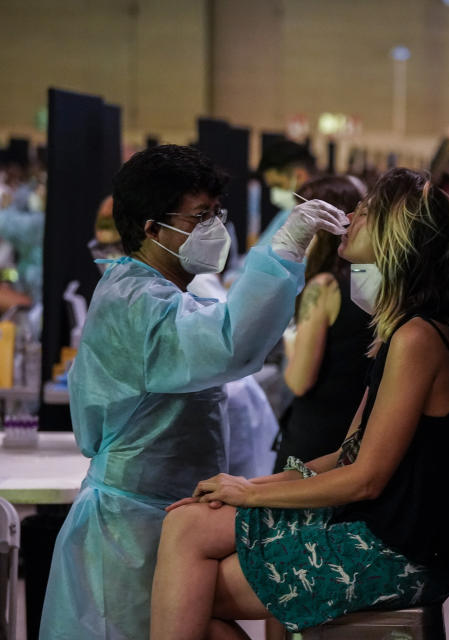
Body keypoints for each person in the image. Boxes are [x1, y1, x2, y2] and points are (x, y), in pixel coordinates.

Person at [39, 144, 346, 640]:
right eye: (200, 216)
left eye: (217, 213)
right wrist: (282, 248)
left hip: (167, 516)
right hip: (128, 531)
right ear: (152, 228)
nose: (214, 228)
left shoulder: (160, 293)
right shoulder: (133, 301)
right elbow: (228, 343)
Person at [149, 168, 449, 639]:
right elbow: (348, 454)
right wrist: (249, 483)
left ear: (398, 237)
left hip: (397, 550)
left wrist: (252, 493)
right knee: (189, 526)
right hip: (375, 529)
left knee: (185, 592)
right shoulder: (401, 331)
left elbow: (366, 478)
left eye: (368, 210)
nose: (353, 215)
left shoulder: (418, 337)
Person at [279, 175, 372, 465]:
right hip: (351, 434)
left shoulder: (324, 285)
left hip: (313, 441)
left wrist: (289, 342)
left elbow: (299, 380)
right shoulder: (371, 280)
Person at [257, 139, 319, 245]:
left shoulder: (317, 218)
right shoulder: (287, 214)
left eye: (278, 185)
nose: (274, 193)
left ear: (299, 176)